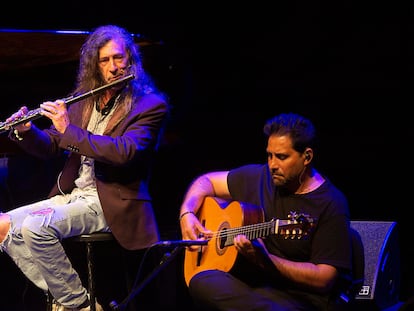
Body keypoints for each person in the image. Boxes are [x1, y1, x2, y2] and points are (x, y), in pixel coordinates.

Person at [0, 24, 169, 311]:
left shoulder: (150, 106)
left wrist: (68, 129)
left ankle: (77, 305)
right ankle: (75, 302)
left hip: (110, 202)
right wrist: (26, 131)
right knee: (2, 225)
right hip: (73, 197)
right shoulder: (87, 100)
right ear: (95, 66)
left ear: (130, 59)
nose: (114, 67)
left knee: (34, 228)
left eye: (118, 58)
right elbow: (52, 145)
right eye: (105, 61)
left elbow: (124, 152)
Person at [179, 112, 353, 311]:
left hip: (301, 300)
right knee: (202, 280)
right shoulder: (259, 177)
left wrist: (267, 261)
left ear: (307, 156)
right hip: (256, 288)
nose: (272, 165)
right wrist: (187, 212)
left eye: (281, 157)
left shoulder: (331, 203)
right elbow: (207, 181)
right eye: (269, 155)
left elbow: (325, 279)